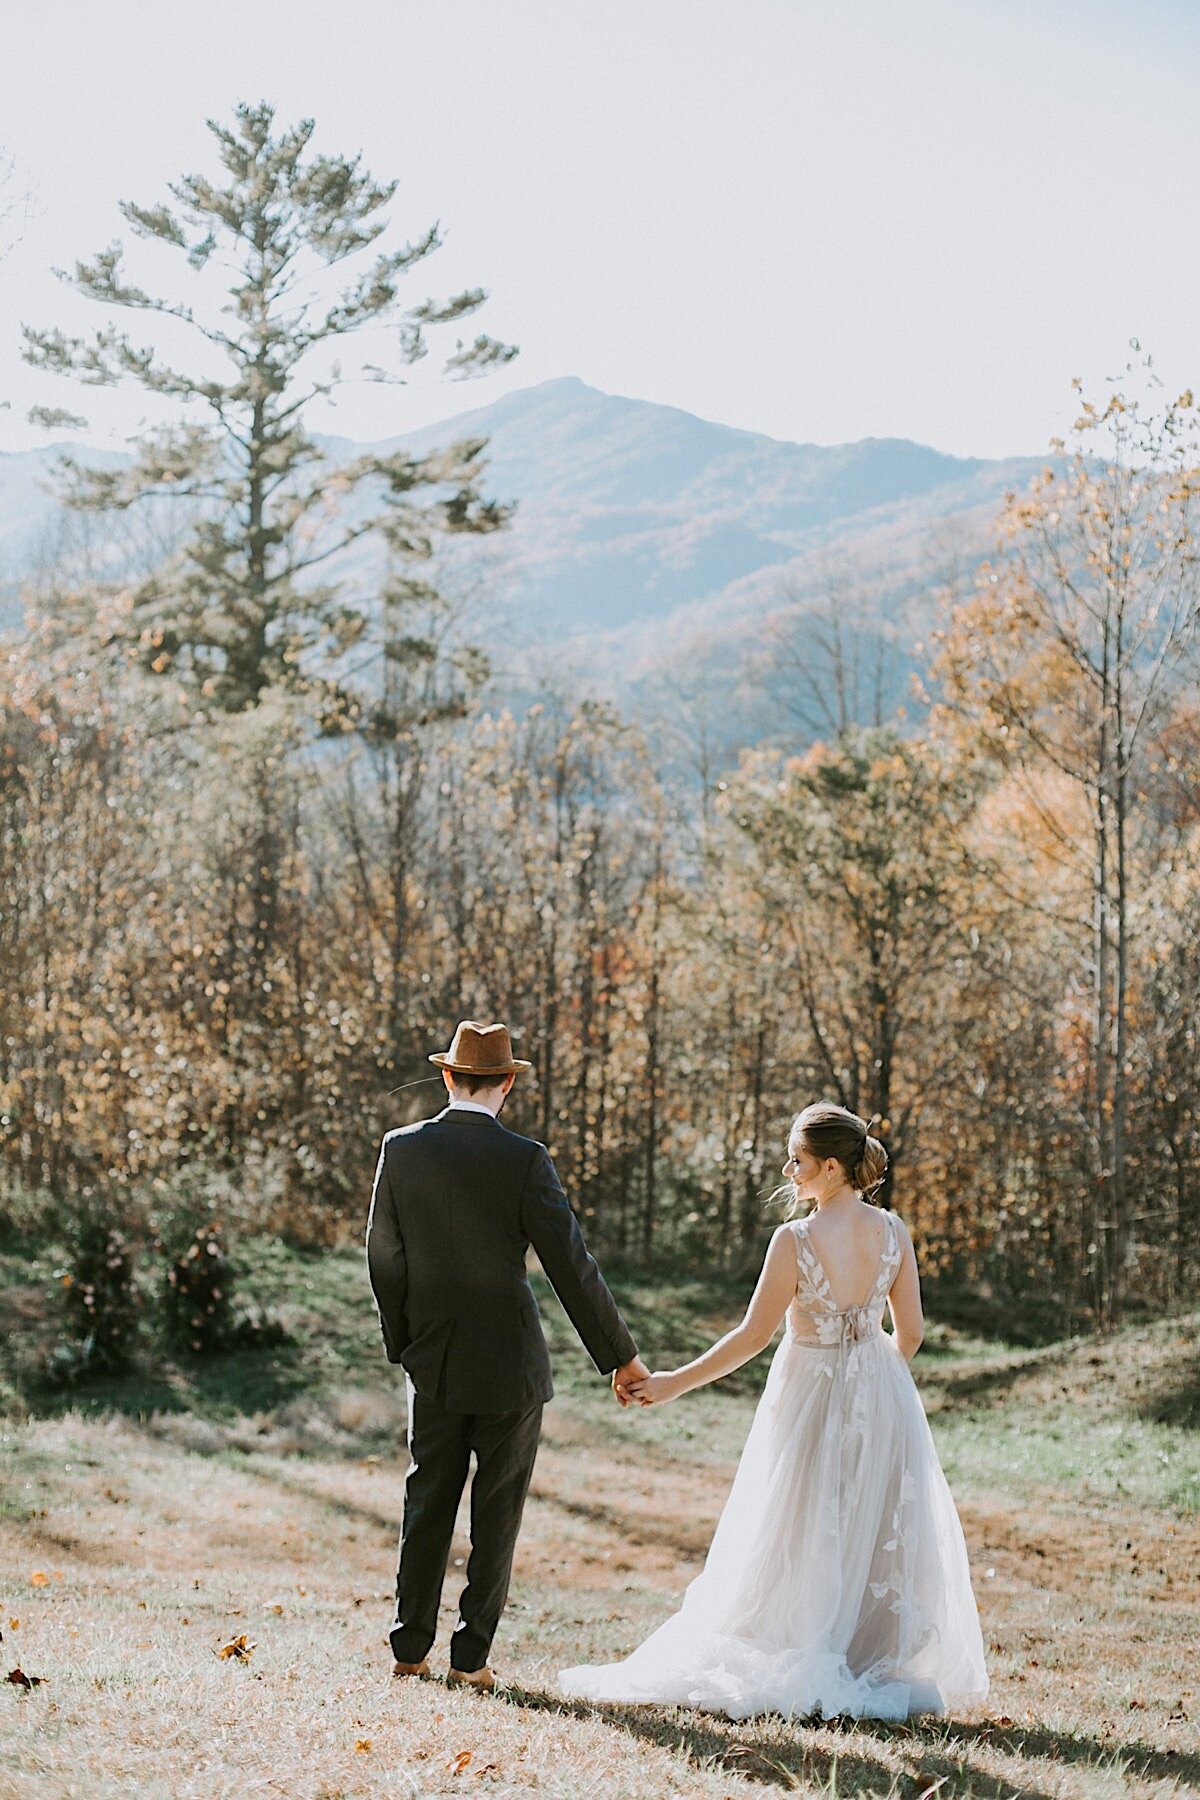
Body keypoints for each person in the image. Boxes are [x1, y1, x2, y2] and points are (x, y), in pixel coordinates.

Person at [558, 1103, 989, 1720]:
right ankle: (862, 1655)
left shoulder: (797, 1240)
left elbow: (752, 1336)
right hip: (882, 1390)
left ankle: (800, 1644)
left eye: (799, 1161)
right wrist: (873, 1375)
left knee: (796, 1515)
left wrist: (673, 1382)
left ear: (832, 1167)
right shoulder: (893, 1231)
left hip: (809, 1389)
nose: (789, 1171)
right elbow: (912, 1334)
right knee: (869, 1518)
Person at [366, 1019, 647, 1692]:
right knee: (498, 1511)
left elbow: (384, 1259)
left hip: (432, 1359)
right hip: (512, 1368)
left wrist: (404, 1345)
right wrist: (620, 1358)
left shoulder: (400, 1150)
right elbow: (571, 1267)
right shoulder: (525, 1160)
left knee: (425, 1496)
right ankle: (471, 1659)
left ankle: (409, 1648)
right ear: (508, 1085)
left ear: (446, 1076)